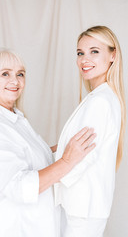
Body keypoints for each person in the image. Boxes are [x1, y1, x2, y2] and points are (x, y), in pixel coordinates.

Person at [0, 48, 96, 237]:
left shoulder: (14, 118)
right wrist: (67, 161)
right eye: (5, 74)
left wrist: (65, 147)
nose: (15, 81)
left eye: (20, 74)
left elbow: (35, 158)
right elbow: (19, 188)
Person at [54, 26, 126, 237]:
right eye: (80, 53)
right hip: (83, 207)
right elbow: (69, 148)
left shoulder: (101, 101)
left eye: (94, 51)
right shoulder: (100, 97)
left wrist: (33, 184)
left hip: (83, 208)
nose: (85, 59)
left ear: (113, 55)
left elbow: (80, 157)